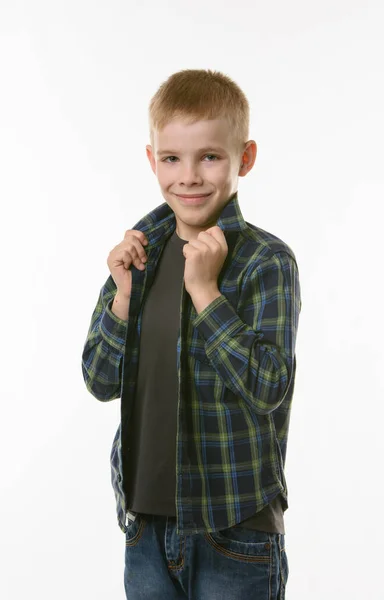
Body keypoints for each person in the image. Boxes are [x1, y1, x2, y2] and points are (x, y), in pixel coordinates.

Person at [81, 68, 301, 599]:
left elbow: (269, 386)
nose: (190, 177)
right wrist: (124, 298)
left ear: (243, 158)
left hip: (234, 531)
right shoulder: (140, 254)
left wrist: (206, 293)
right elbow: (99, 379)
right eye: (173, 159)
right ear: (153, 159)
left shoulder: (265, 261)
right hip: (146, 529)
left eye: (210, 156)